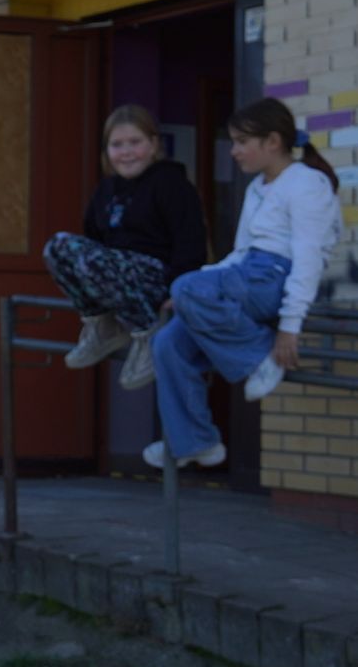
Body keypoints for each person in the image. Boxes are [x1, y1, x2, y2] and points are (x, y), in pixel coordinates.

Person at [144, 98, 342, 469]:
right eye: (232, 142)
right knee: (167, 342)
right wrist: (196, 290)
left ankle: (260, 356)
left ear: (272, 141)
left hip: (275, 279)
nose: (234, 151)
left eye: (241, 142)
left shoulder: (306, 183)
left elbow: (308, 260)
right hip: (248, 273)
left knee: (185, 287)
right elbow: (239, 254)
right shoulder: (257, 188)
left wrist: (288, 328)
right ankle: (196, 441)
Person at [43, 105, 207, 391]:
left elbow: (190, 241)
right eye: (117, 145)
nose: (126, 152)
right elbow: (92, 241)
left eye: (135, 142)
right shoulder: (105, 191)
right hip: (118, 278)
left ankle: (147, 333)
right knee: (56, 247)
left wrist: (180, 289)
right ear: (107, 151)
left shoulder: (172, 184)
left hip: (157, 278)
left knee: (86, 256)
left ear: (154, 144)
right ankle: (102, 325)